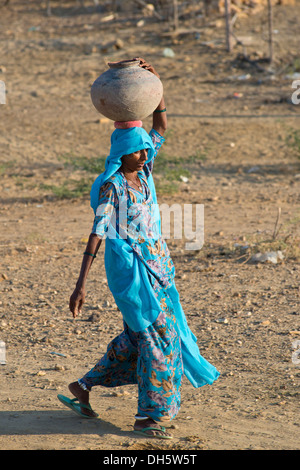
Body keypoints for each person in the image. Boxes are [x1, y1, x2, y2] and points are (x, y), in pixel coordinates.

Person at [57, 58, 220, 439]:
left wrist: (156, 87)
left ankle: (83, 386)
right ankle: (150, 415)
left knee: (138, 337)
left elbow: (160, 125)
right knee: (160, 336)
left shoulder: (144, 172)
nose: (145, 156)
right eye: (138, 151)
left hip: (157, 265)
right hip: (128, 270)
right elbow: (97, 233)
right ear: (121, 154)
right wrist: (81, 285)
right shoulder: (113, 186)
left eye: (147, 150)